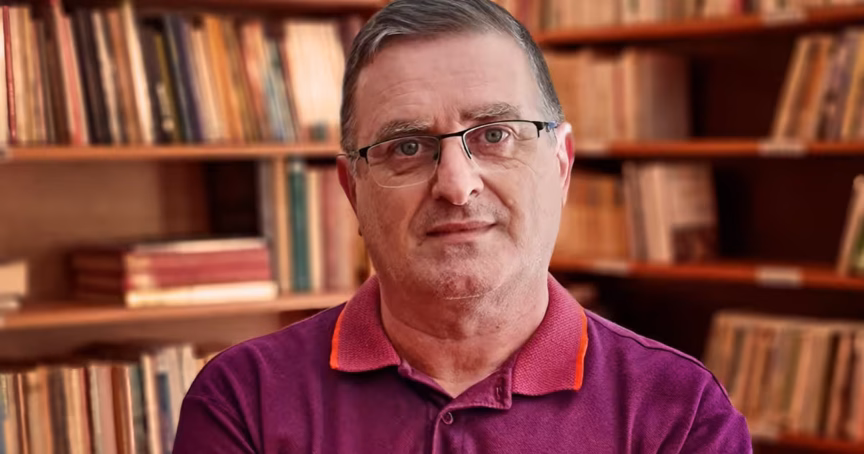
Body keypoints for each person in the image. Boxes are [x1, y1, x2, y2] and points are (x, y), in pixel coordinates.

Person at [173, 0, 752, 452]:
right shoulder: (243, 402)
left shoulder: (682, 415)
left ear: (560, 164)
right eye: (407, 146)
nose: (456, 184)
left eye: (494, 135)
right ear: (353, 191)